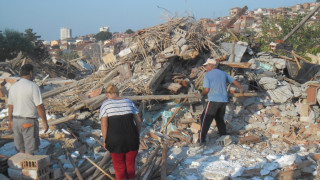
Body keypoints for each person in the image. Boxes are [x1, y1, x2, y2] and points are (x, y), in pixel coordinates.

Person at [99, 83, 142, 180]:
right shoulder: (128, 101)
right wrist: (136, 135)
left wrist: (105, 140)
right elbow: (139, 121)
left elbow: (104, 125)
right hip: (132, 138)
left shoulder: (106, 104)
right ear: (118, 93)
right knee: (130, 166)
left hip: (115, 140)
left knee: (119, 167)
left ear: (108, 94)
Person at [8, 64, 49, 155]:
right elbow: (39, 106)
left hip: (16, 121)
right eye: (34, 73)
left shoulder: (13, 87)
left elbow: (10, 106)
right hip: (28, 122)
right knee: (30, 151)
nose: (34, 75)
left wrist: (10, 121)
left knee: (21, 149)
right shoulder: (33, 86)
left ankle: (22, 167)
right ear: (30, 73)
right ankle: (29, 168)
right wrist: (45, 122)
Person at [200, 58, 243, 144]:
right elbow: (235, 81)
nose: (206, 67)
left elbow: (206, 89)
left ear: (210, 65)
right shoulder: (223, 73)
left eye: (206, 66)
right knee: (219, 119)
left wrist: (201, 95)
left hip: (213, 100)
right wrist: (241, 89)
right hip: (223, 100)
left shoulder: (208, 75)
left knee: (205, 119)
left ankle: (202, 140)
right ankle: (223, 137)